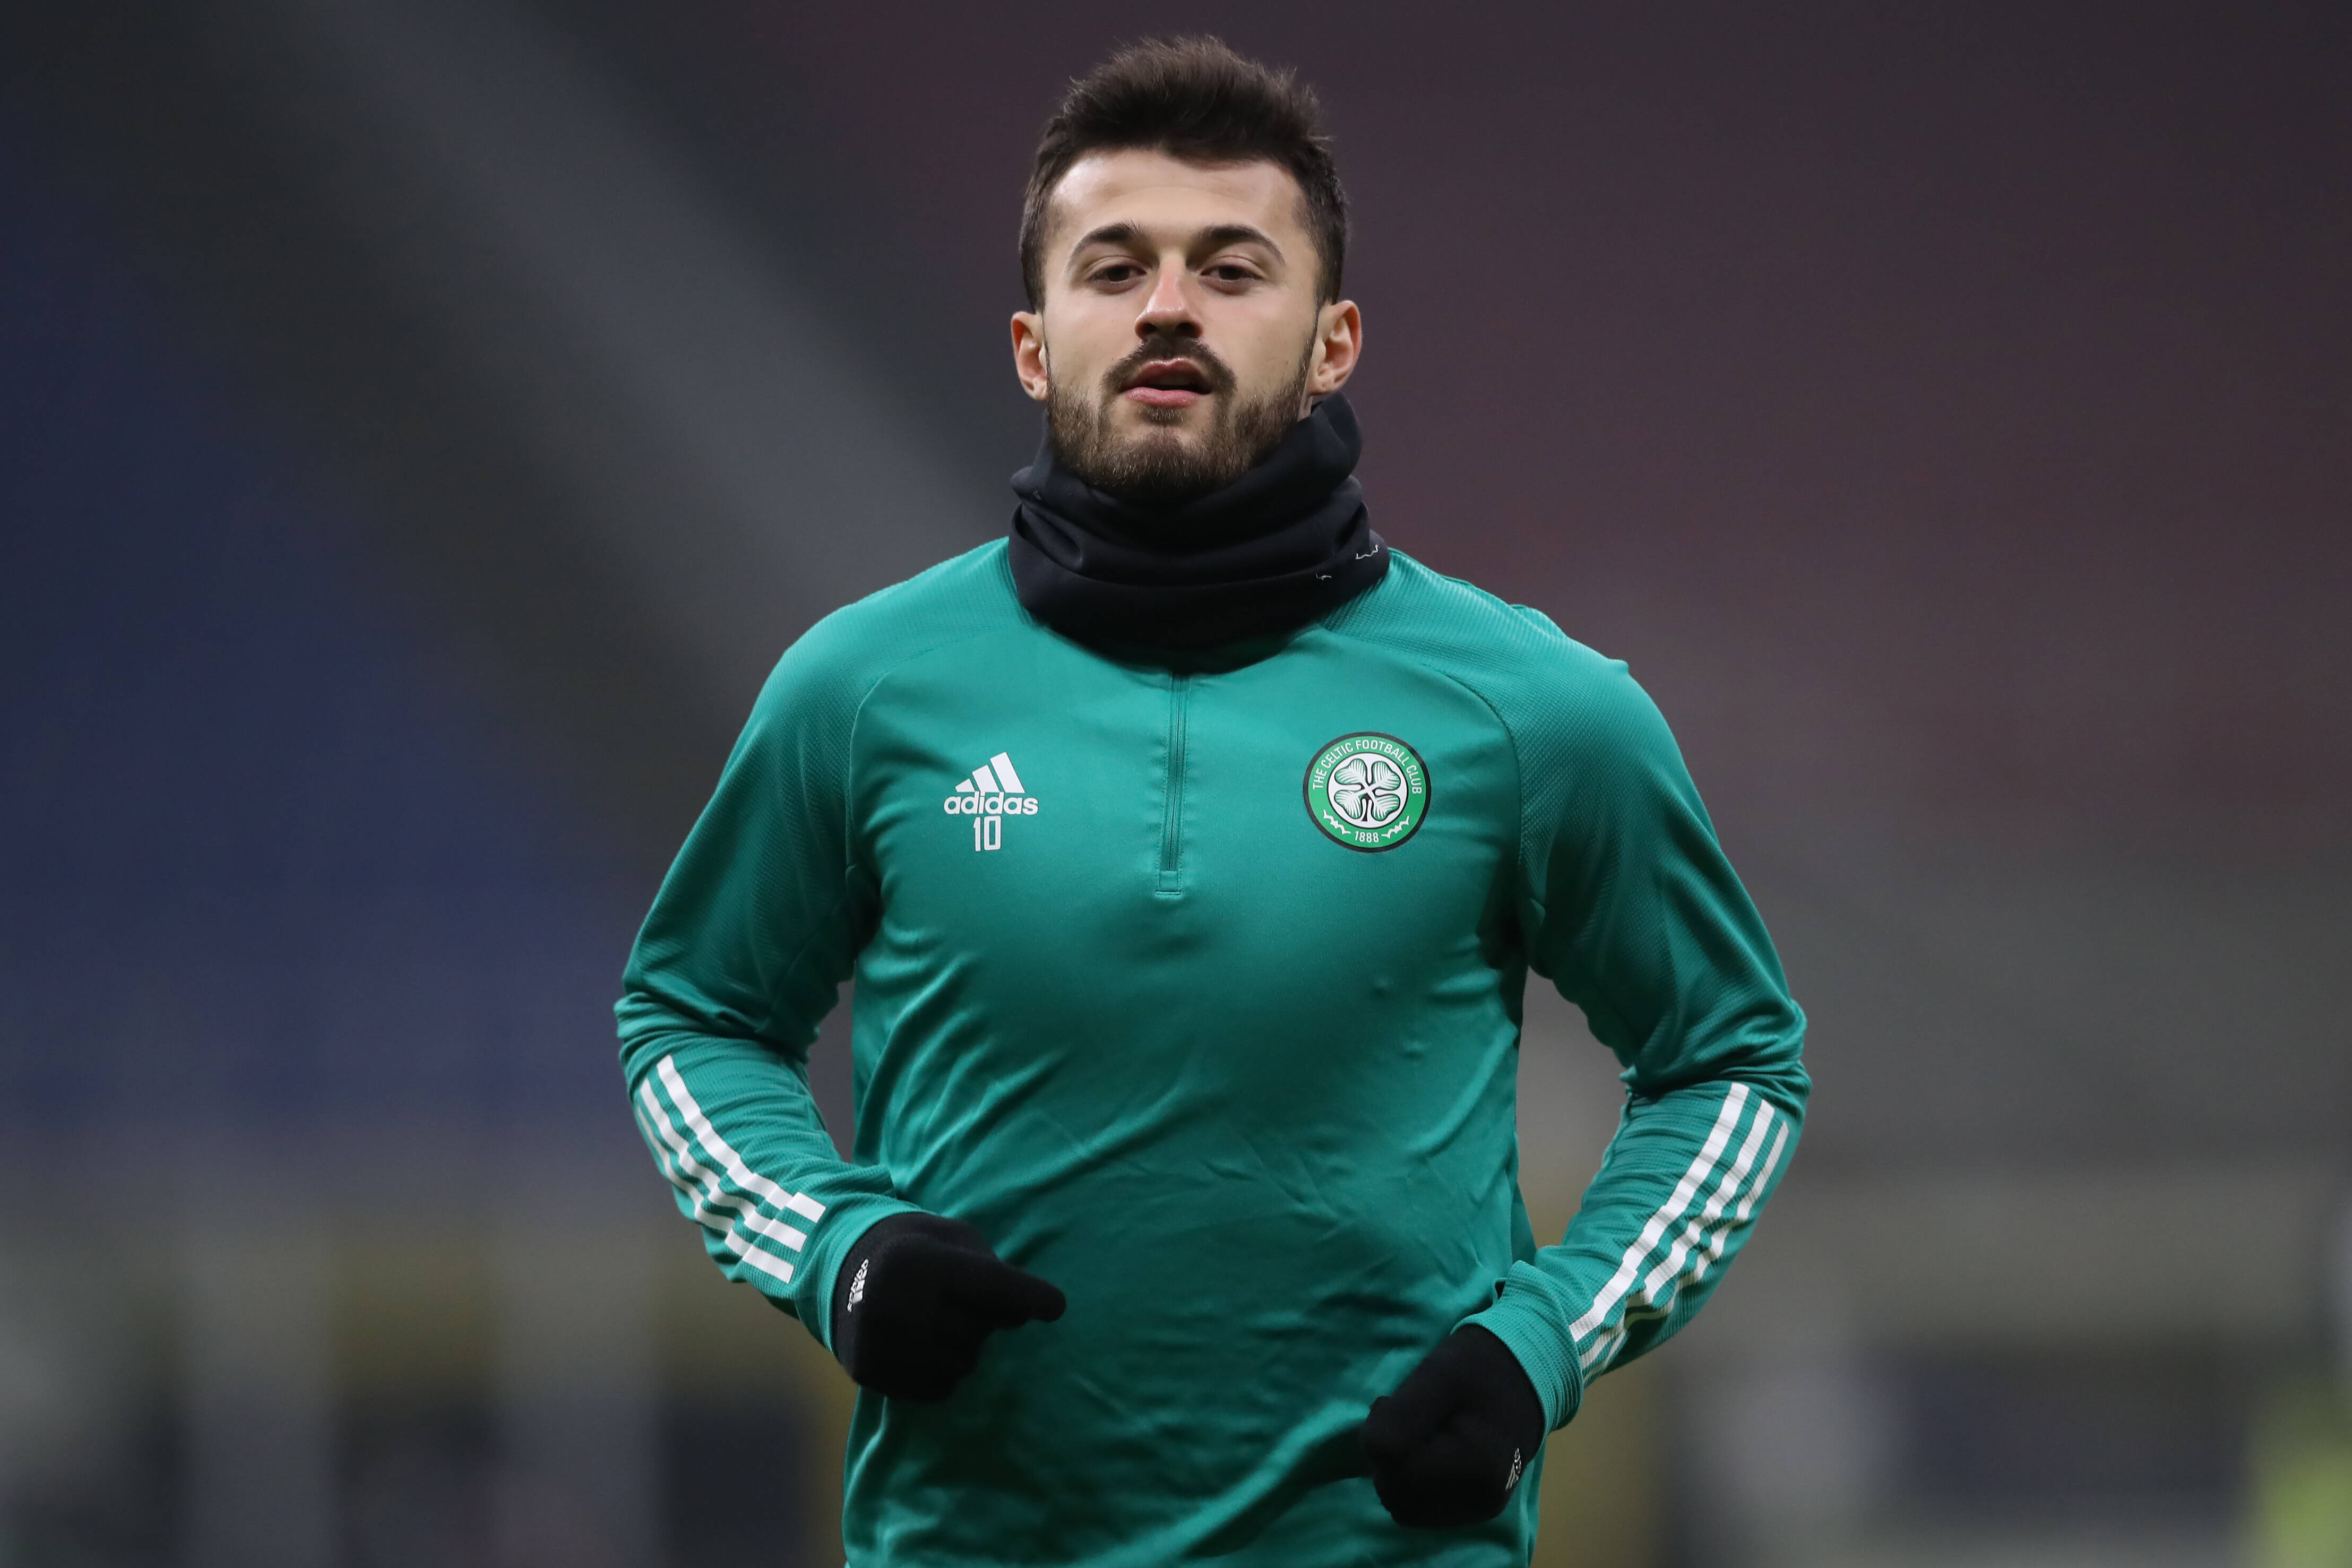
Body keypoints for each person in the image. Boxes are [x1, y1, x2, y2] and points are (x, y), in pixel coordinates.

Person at [617, 35, 1808, 1568]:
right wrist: (836, 1247)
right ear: (1033, 344)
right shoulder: (859, 691)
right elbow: (693, 1016)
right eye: (1114, 267)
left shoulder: (1541, 713)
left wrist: (1540, 1345)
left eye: (1233, 268)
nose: (1168, 305)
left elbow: (1731, 1063)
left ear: (1333, 342)